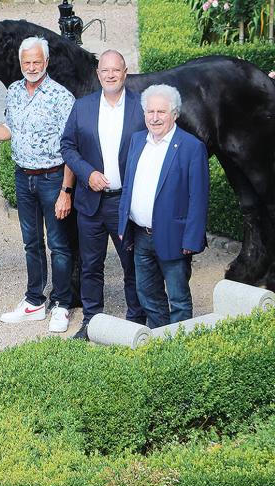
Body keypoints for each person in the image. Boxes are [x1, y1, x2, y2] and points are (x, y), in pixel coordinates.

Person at [0, 36, 77, 333]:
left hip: (53, 178)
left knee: (59, 245)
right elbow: (9, 129)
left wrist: (66, 191)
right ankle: (34, 301)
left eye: (36, 62)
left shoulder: (61, 97)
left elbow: (72, 148)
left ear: (46, 62)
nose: (31, 67)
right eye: (26, 62)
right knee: (31, 243)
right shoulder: (13, 91)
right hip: (23, 176)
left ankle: (62, 304)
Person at [61, 50, 146, 340]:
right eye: (105, 71)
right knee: (91, 265)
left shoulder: (140, 107)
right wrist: (87, 174)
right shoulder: (82, 107)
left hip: (125, 203)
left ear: (125, 72)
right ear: (98, 75)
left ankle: (136, 318)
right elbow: (67, 147)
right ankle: (91, 321)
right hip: (91, 203)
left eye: (116, 70)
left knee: (131, 265)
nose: (110, 75)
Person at [118, 84, 209, 328]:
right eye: (150, 112)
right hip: (140, 235)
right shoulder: (137, 141)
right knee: (147, 292)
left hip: (174, 236)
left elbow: (198, 198)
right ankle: (160, 338)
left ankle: (179, 346)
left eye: (161, 112)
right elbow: (128, 186)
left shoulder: (191, 147)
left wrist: (192, 240)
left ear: (175, 114)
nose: (155, 118)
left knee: (178, 298)